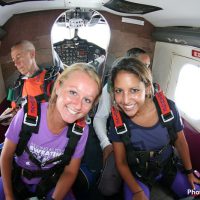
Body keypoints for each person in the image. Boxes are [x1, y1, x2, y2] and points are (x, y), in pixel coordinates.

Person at [0, 63, 101, 200]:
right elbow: (6, 156)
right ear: (58, 87)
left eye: (87, 100)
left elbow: (70, 171)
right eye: (73, 92)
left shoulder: (81, 131)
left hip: (50, 184)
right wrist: (8, 195)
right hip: (16, 178)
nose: (78, 105)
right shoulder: (28, 115)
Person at [108, 57, 200, 200]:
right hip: (138, 175)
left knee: (196, 193)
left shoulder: (168, 109)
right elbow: (121, 162)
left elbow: (181, 142)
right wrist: (137, 191)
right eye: (119, 90)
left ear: (148, 88)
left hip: (168, 168)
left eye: (134, 90)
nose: (125, 100)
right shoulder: (117, 121)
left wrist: (189, 172)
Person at [93, 48, 151, 164]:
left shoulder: (149, 87)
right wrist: (105, 144)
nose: (146, 70)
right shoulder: (110, 89)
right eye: (142, 65)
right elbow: (100, 117)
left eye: (148, 66)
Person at [1, 40, 60, 126]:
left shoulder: (52, 78)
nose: (16, 64)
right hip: (26, 134)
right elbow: (15, 111)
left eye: (18, 57)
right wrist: (12, 118)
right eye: (14, 60)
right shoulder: (17, 85)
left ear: (32, 54)